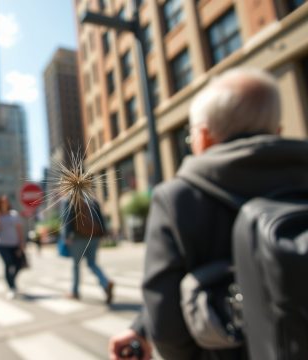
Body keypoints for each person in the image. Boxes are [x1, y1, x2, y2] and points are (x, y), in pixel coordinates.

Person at [108, 68, 308, 360]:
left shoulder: (176, 198)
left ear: (203, 136)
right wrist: (142, 324)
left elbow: (167, 324)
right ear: (276, 131)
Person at [62, 197, 114, 304]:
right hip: (94, 236)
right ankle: (105, 283)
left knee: (76, 265)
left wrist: (66, 236)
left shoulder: (71, 199)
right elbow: (101, 217)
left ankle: (75, 291)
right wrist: (103, 233)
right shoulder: (92, 199)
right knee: (92, 263)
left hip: (79, 238)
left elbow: (67, 219)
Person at [0, 195, 24, 299]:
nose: (5, 203)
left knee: (18, 264)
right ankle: (11, 287)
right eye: (2, 202)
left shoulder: (14, 214)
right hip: (1, 245)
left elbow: (19, 229)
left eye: (6, 201)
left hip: (14, 244)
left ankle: (12, 281)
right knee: (8, 263)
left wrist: (21, 243)